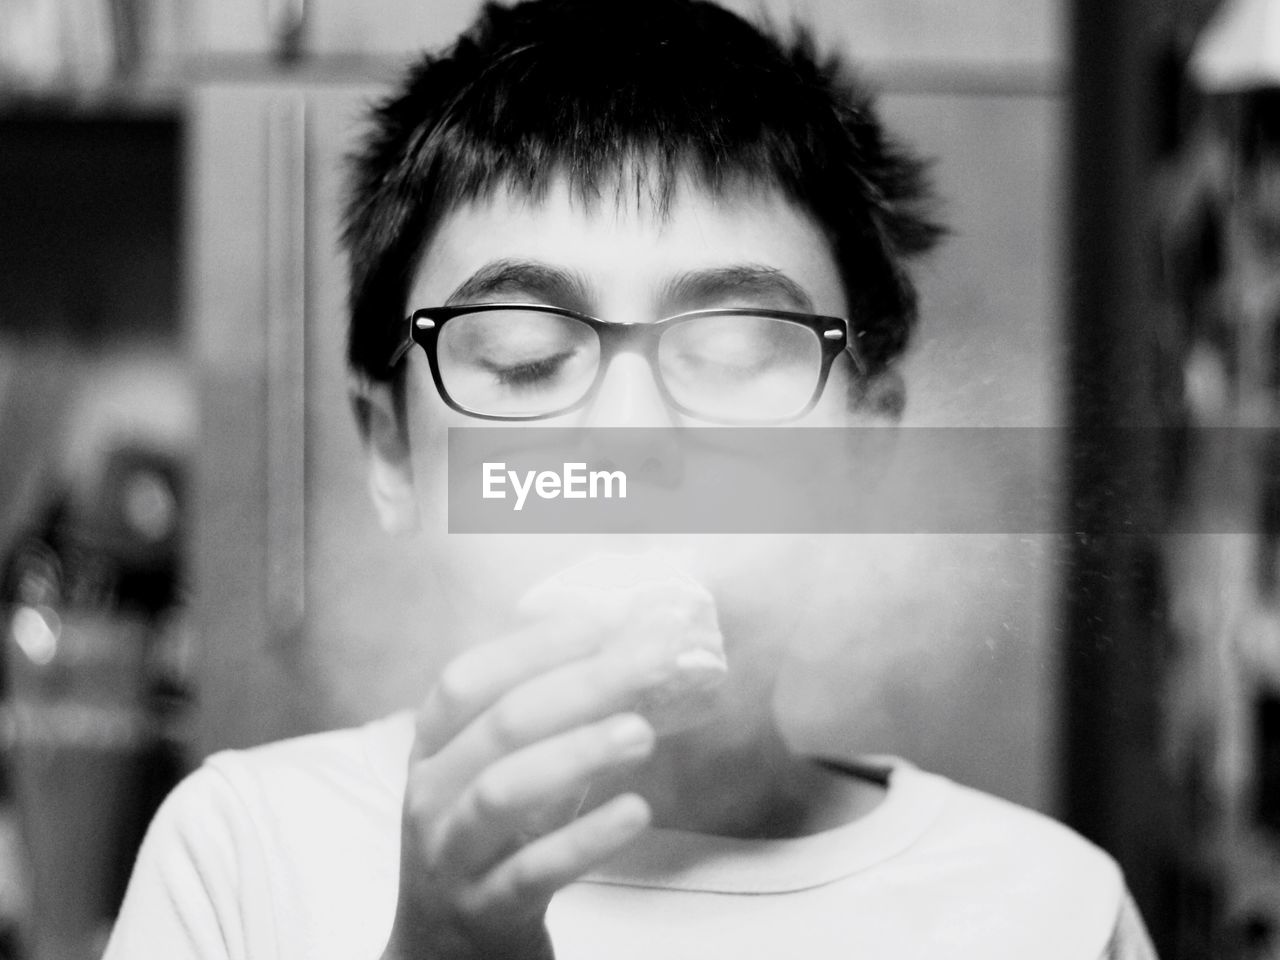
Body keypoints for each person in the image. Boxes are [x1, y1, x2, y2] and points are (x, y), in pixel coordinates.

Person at [104, 1, 1159, 957]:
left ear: (861, 445)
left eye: (737, 355)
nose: (627, 436)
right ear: (392, 453)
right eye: (520, 354)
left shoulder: (1046, 910)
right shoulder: (247, 854)